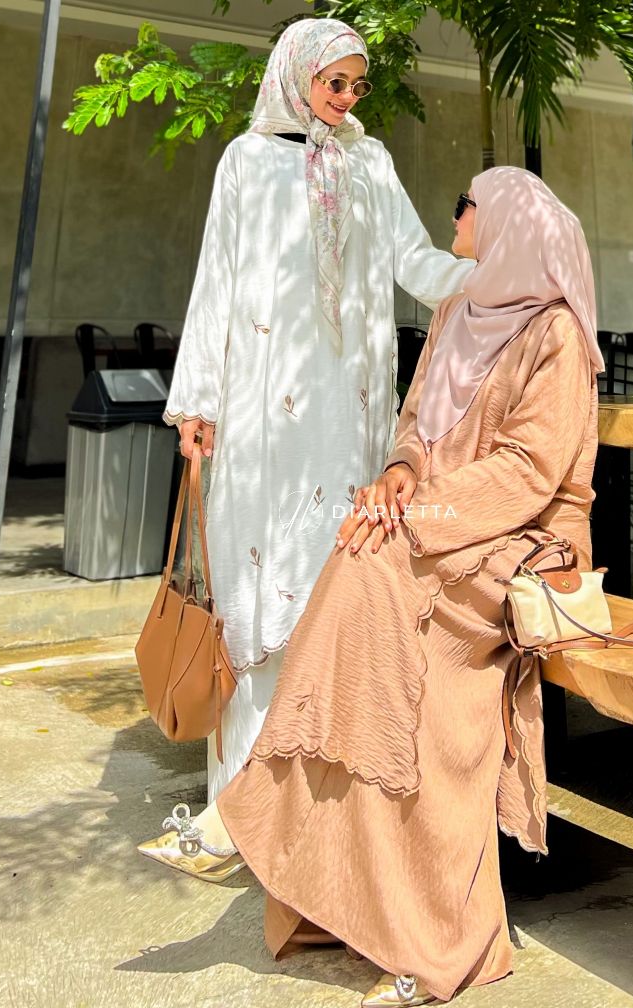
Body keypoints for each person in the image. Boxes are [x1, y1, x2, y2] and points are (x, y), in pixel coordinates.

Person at [191, 166, 606, 1008]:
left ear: (509, 225)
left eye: (465, 208)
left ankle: (429, 933)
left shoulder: (556, 333)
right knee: (364, 591)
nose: (455, 222)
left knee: (378, 587)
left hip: (517, 543)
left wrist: (415, 517)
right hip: (437, 529)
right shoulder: (458, 311)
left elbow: (530, 472)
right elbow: (414, 424)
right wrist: (397, 479)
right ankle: (344, 903)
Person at [144, 17, 473, 878]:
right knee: (257, 588)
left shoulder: (371, 163)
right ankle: (237, 812)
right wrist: (197, 401)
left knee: (336, 588)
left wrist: (495, 278)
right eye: (335, 82)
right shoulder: (246, 162)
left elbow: (414, 261)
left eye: (358, 86)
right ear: (297, 75)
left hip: (347, 417)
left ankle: (317, 822)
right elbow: (216, 280)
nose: (347, 98)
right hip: (261, 419)